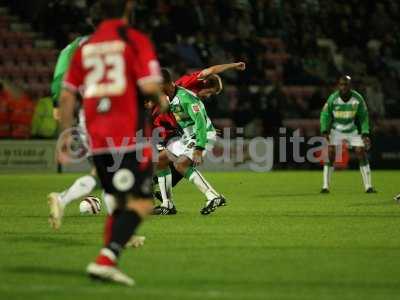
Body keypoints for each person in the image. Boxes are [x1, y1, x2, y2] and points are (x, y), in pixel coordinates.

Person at [59, 0, 162, 286]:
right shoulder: (134, 39)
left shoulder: (84, 48)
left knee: (117, 202)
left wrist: (66, 136)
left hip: (96, 138)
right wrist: (160, 101)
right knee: (141, 202)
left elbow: (67, 96)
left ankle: (109, 262)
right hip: (126, 135)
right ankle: (106, 258)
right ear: (128, 7)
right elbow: (150, 86)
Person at [48, 2, 108, 230]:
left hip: (88, 116)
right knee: (113, 172)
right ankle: (62, 199)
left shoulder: (72, 48)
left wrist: (58, 106)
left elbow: (60, 82)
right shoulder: (119, 46)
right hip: (111, 116)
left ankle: (62, 199)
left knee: (106, 173)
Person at [154, 69, 224, 215]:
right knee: (161, 159)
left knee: (181, 164)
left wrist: (199, 148)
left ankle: (214, 196)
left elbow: (200, 123)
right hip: (188, 137)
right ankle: (167, 204)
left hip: (202, 136)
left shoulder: (185, 97)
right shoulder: (169, 97)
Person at [320, 75, 376, 193]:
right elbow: (325, 115)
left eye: (346, 84)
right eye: (341, 84)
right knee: (330, 152)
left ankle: (368, 186)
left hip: (352, 129)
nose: (343, 87)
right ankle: (325, 186)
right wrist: (325, 130)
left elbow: (364, 117)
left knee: (361, 152)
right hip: (336, 130)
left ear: (350, 86)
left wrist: (365, 133)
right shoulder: (333, 98)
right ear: (338, 85)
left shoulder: (358, 98)